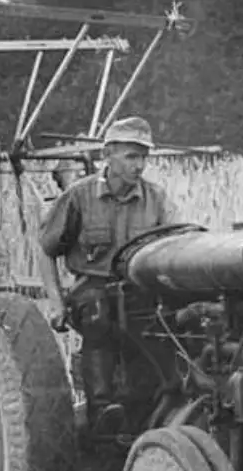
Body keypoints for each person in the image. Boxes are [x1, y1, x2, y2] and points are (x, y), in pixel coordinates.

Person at [39, 116, 178, 436]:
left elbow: (177, 243)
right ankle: (102, 411)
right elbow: (46, 250)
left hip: (139, 290)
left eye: (143, 157)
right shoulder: (79, 197)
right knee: (98, 314)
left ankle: (145, 416)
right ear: (108, 156)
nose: (139, 166)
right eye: (131, 156)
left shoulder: (157, 198)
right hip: (92, 289)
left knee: (160, 328)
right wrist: (56, 303)